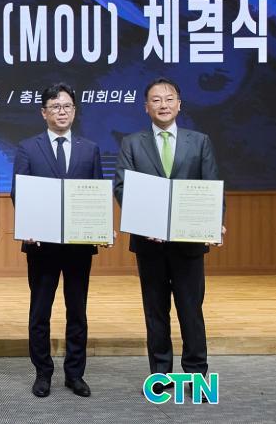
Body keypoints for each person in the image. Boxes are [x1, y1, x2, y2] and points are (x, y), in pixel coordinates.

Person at [114, 77, 225, 395]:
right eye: (156, 99)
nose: (163, 104)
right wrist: (145, 223)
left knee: (191, 310)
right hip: (149, 244)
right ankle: (160, 376)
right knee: (156, 312)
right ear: (145, 107)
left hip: (189, 243)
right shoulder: (132, 143)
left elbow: (211, 185)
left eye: (169, 98)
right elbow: (122, 187)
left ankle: (196, 375)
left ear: (179, 104)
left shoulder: (199, 141)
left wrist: (215, 222)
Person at [11, 83, 103, 398]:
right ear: (44, 113)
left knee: (77, 311)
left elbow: (96, 194)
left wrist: (99, 227)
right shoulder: (28, 147)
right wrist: (28, 224)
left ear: (74, 111)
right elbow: (19, 193)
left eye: (66, 106)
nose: (61, 112)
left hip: (78, 246)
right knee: (40, 312)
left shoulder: (89, 148)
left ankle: (75, 374)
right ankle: (43, 373)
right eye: (55, 107)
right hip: (41, 245)